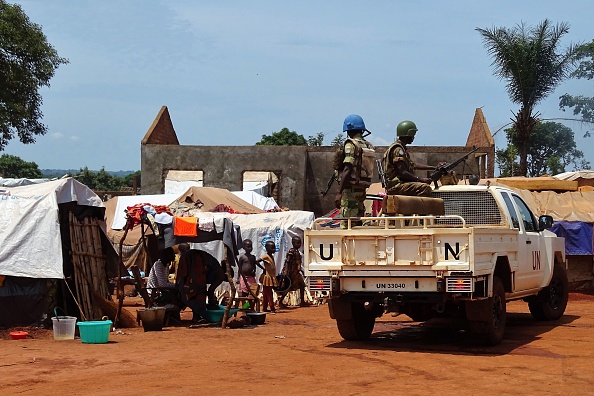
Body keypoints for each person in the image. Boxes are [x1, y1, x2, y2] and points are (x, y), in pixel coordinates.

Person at [335, 114, 376, 228]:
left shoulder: (351, 144)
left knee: (346, 225)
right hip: (361, 188)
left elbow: (348, 168)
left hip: (350, 190)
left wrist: (339, 193)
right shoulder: (367, 145)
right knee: (357, 223)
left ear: (348, 129)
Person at [382, 120, 437, 196]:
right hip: (396, 186)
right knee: (425, 188)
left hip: (399, 184)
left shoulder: (401, 149)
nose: (413, 137)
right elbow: (402, 173)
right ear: (408, 134)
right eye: (412, 135)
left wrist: (434, 168)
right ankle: (415, 208)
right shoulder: (398, 150)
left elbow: (413, 165)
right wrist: (420, 180)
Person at [176, 247, 209, 324]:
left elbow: (183, 273)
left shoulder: (186, 257)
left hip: (191, 283)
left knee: (192, 298)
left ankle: (197, 316)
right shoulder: (194, 256)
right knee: (193, 298)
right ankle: (197, 316)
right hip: (194, 283)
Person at [278, 236, 310, 308]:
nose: (299, 244)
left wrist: (301, 270)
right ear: (293, 243)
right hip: (291, 273)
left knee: (302, 286)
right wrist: (286, 271)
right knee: (288, 288)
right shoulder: (291, 252)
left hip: (296, 273)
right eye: (297, 243)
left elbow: (297, 263)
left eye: (300, 243)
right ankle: (280, 302)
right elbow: (287, 261)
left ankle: (302, 302)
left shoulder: (297, 252)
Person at [257, 240, 278, 313]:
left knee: (266, 293)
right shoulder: (266, 256)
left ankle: (265, 307)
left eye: (274, 248)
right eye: (272, 248)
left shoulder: (271, 256)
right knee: (269, 293)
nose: (274, 249)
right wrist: (263, 268)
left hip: (270, 276)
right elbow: (257, 261)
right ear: (267, 248)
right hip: (267, 277)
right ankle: (272, 307)